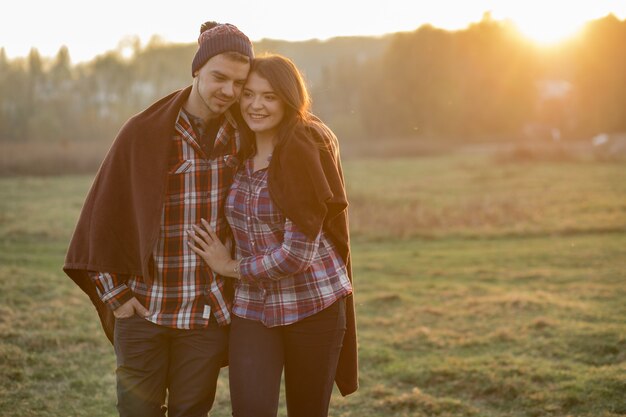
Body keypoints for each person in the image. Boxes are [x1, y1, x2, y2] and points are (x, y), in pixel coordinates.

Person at [63, 21, 254, 417]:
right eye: (219, 77)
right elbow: (103, 216)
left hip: (205, 316)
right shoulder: (143, 132)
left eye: (239, 83)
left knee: (191, 412)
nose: (229, 91)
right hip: (144, 311)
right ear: (197, 69)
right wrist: (117, 298)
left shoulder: (242, 136)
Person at [188, 54, 358, 417]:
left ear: (287, 99)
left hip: (314, 303)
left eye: (269, 96)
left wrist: (229, 266)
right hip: (253, 306)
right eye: (248, 94)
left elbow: (297, 256)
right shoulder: (239, 149)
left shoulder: (301, 149)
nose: (255, 105)